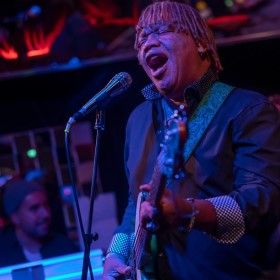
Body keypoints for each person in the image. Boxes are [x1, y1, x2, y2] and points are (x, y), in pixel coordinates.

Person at [102, 1, 280, 280]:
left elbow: (262, 201)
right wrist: (115, 255)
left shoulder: (247, 109)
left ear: (199, 42)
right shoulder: (137, 120)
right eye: (141, 39)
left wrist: (189, 212)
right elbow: (134, 201)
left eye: (160, 31)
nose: (147, 42)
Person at [0, 178, 79, 268]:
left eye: (46, 205)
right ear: (15, 217)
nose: (45, 214)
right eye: (34, 208)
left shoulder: (64, 247)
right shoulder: (2, 254)